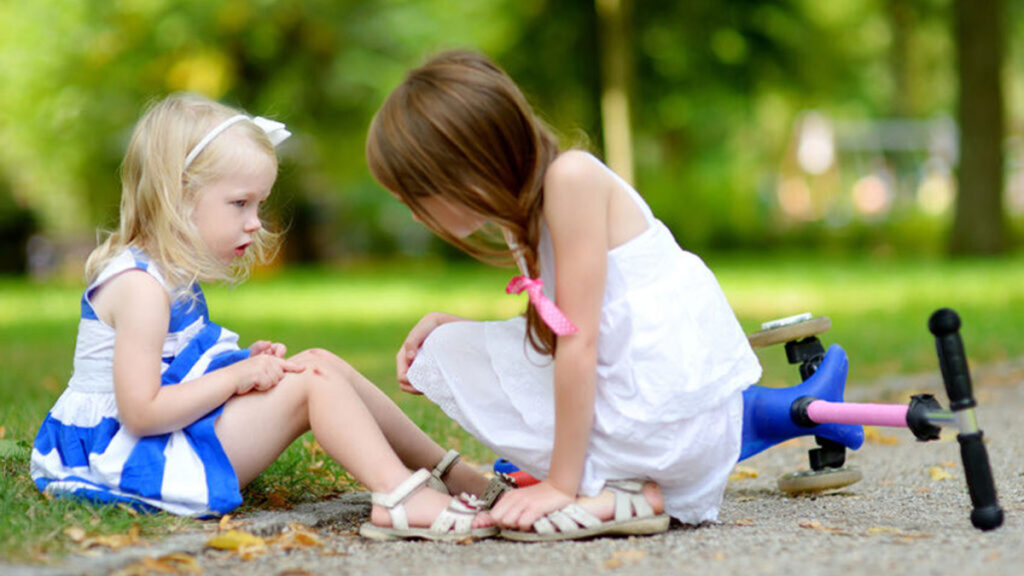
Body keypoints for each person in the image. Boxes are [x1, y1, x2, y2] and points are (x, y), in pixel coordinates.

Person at [29, 93, 499, 542]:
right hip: (133, 456)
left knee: (320, 361)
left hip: (166, 439)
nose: (255, 222)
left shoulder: (168, 277)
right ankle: (400, 496)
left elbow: (172, 372)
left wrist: (238, 365)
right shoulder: (140, 288)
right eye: (240, 203)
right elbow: (143, 411)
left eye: (258, 204)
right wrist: (235, 378)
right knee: (313, 381)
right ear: (177, 196)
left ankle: (459, 477)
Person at [365, 50, 763, 541]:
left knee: (472, 356)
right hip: (641, 402)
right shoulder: (526, 210)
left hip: (668, 425)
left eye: (416, 198)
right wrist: (451, 324)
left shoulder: (570, 178)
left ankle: (615, 490)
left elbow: (579, 343)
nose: (414, 217)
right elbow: (563, 331)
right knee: (444, 349)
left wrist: (558, 484)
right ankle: (615, 488)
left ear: (462, 169)